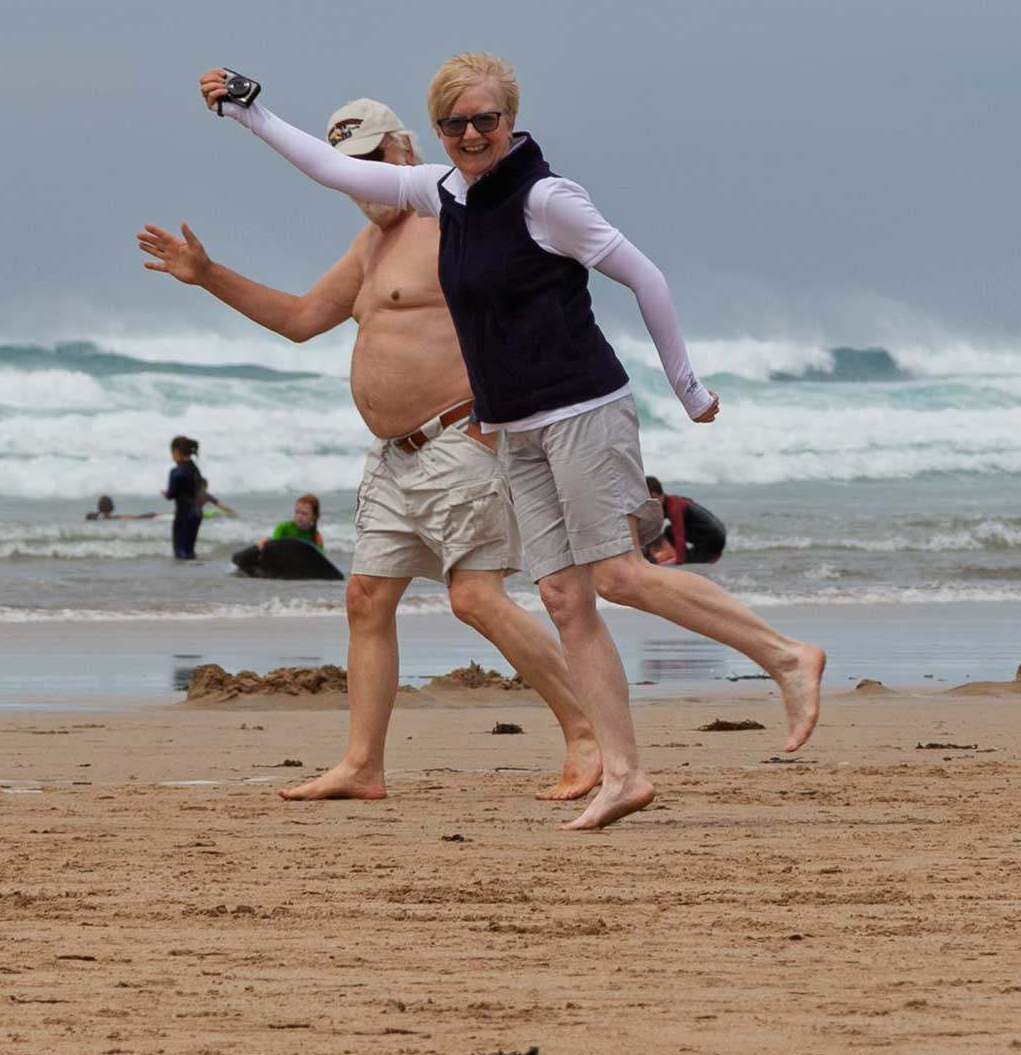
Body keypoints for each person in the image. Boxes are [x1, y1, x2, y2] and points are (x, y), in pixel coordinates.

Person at [200, 55, 826, 830]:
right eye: (456, 123)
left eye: (485, 120)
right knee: (564, 597)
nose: (471, 134)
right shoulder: (442, 193)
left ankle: (786, 656)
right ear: (435, 133)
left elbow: (648, 279)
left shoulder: (546, 198)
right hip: (519, 424)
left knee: (619, 578)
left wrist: (690, 391)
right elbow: (329, 169)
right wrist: (247, 113)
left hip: (582, 407)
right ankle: (623, 774)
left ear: (510, 120)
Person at [141, 95, 607, 802]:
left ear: (404, 151)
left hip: (461, 440)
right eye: (347, 168)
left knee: (477, 599)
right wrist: (208, 275)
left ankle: (590, 732)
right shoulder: (371, 247)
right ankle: (364, 765)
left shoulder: (456, 221)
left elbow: (529, 310)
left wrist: (502, 415)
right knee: (365, 598)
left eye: (371, 161)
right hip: (395, 456)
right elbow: (300, 320)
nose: (361, 180)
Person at [643, 475, 727, 566]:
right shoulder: (671, 502)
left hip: (713, 538)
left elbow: (679, 534)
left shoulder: (674, 506)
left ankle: (697, 557)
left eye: (652, 499)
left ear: (658, 495)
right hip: (716, 534)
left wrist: (680, 561)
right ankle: (707, 555)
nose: (650, 505)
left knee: (670, 532)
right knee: (666, 532)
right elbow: (652, 528)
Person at [260, 493, 324, 550]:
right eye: (297, 512)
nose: (299, 516)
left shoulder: (316, 537)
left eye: (304, 514)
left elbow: (320, 560)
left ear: (314, 516)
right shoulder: (283, 528)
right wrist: (266, 540)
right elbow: (273, 546)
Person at [86, 495, 159, 521]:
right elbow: (136, 517)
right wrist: (151, 515)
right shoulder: (115, 518)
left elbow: (88, 515)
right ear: (112, 508)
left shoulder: (96, 517)